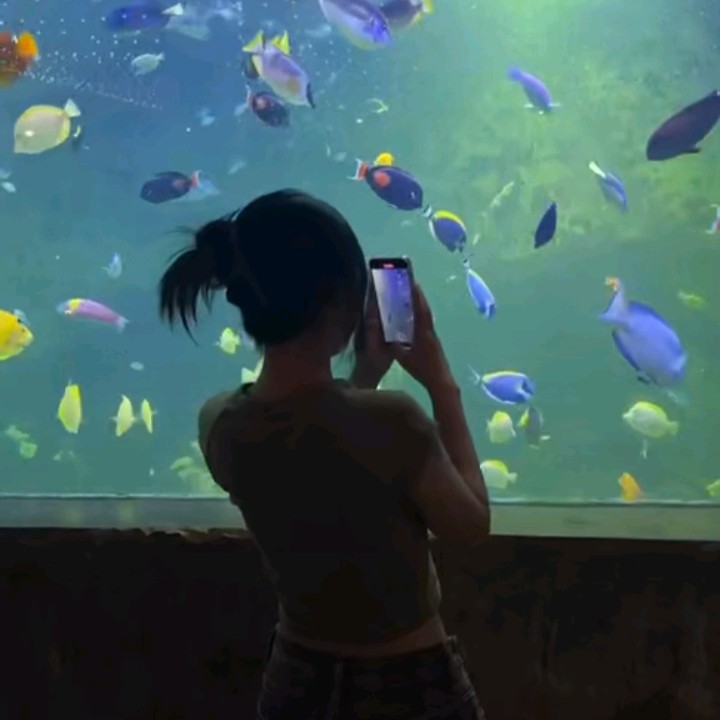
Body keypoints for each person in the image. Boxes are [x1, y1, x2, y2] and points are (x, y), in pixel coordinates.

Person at [158, 189, 490, 720]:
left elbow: (318, 446)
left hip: (297, 682)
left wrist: (364, 378)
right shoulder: (395, 420)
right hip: (410, 682)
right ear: (345, 305)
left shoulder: (219, 425)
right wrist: (440, 381)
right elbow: (470, 524)